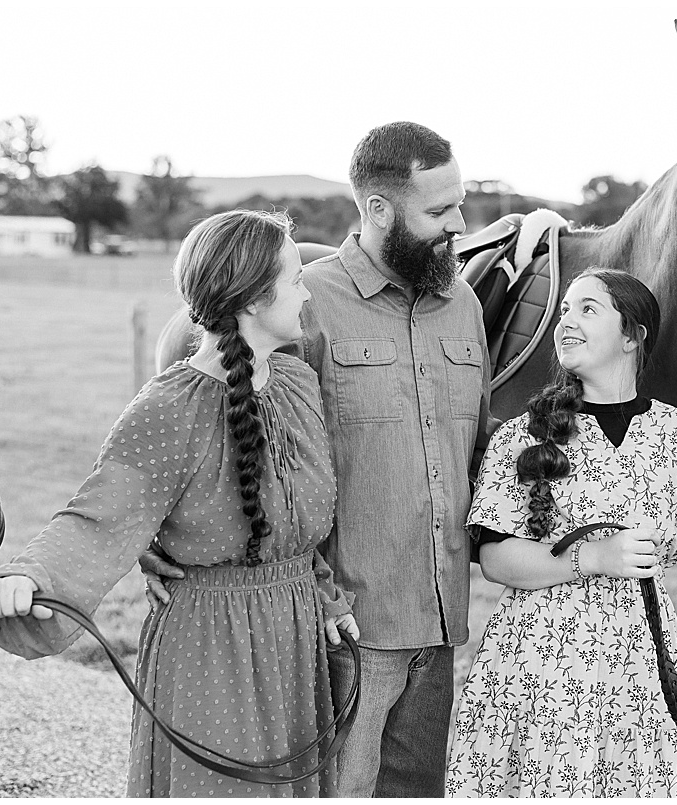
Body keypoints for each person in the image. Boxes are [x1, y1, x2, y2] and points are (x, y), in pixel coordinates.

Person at [142, 121, 493, 797]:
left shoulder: (465, 305)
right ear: (380, 210)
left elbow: (479, 446)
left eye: (460, 202)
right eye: (440, 210)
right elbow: (216, 426)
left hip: (443, 622)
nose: (459, 224)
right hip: (342, 626)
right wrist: (153, 531)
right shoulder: (300, 304)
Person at [0, 209, 358, 798]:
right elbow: (97, 518)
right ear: (254, 298)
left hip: (294, 639)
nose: (307, 291)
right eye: (295, 278)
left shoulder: (295, 383)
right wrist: (28, 577)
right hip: (212, 647)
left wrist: (327, 602)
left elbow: (295, 529)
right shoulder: (170, 409)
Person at [445, 268, 677, 797]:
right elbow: (495, 560)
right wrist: (593, 558)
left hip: (643, 661)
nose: (567, 321)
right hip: (540, 662)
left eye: (588, 309)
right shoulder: (522, 434)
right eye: (565, 309)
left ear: (632, 336)